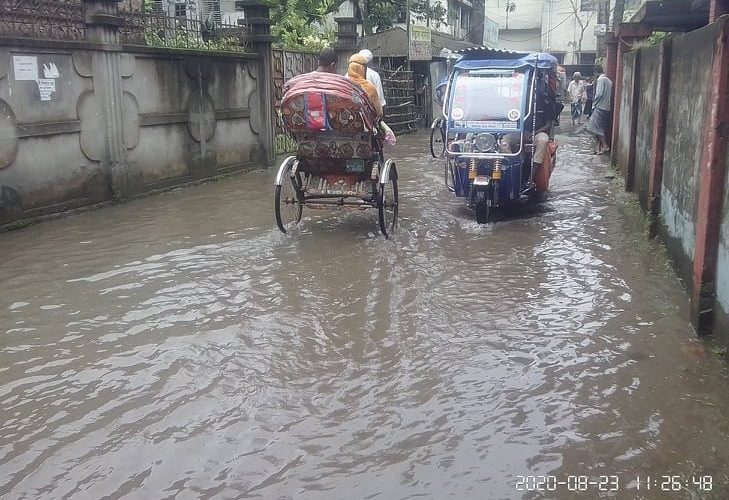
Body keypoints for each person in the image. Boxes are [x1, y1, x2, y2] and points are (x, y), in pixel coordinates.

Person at [585, 65, 613, 154]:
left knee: (594, 127)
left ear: (595, 72)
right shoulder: (609, 81)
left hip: (600, 106)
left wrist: (594, 103)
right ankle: (598, 148)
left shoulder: (601, 80)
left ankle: (604, 146)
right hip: (606, 107)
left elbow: (599, 94)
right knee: (599, 127)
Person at [346, 53, 383, 118]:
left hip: (345, 125)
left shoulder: (343, 83)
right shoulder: (370, 87)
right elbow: (379, 112)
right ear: (362, 68)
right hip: (366, 126)